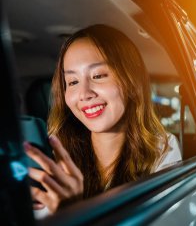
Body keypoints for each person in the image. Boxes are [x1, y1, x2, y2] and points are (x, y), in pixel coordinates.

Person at [23, 24, 182, 216]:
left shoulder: (163, 149)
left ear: (131, 82)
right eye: (72, 82)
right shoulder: (51, 152)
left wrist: (71, 213)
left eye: (98, 76)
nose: (84, 94)